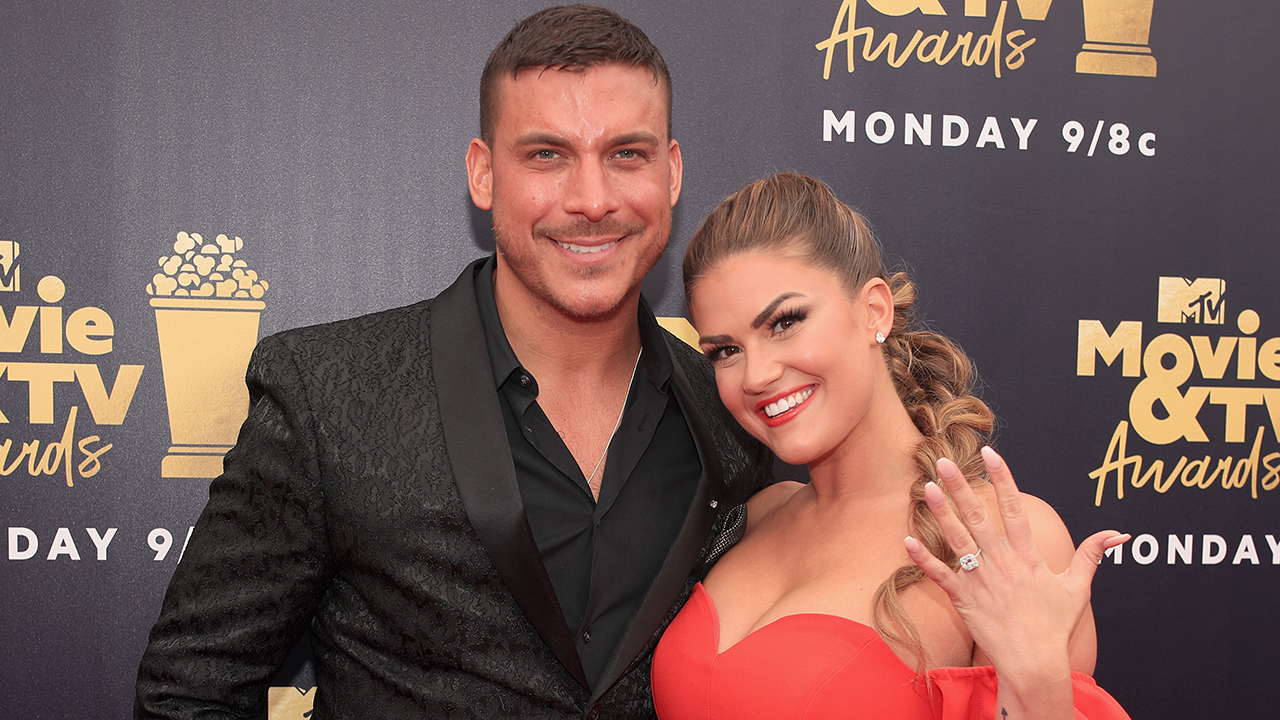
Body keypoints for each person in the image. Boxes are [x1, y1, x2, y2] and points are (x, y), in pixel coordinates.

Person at [133, 6, 771, 719]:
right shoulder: (326, 397)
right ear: (483, 174)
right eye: (547, 155)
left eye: (627, 154)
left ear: (672, 173)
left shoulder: (733, 411)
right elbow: (188, 693)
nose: (593, 200)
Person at [651, 173, 1131, 720]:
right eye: (725, 351)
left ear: (874, 310)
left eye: (785, 323)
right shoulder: (757, 514)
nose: (756, 375)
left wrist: (1040, 687)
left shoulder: (993, 537)